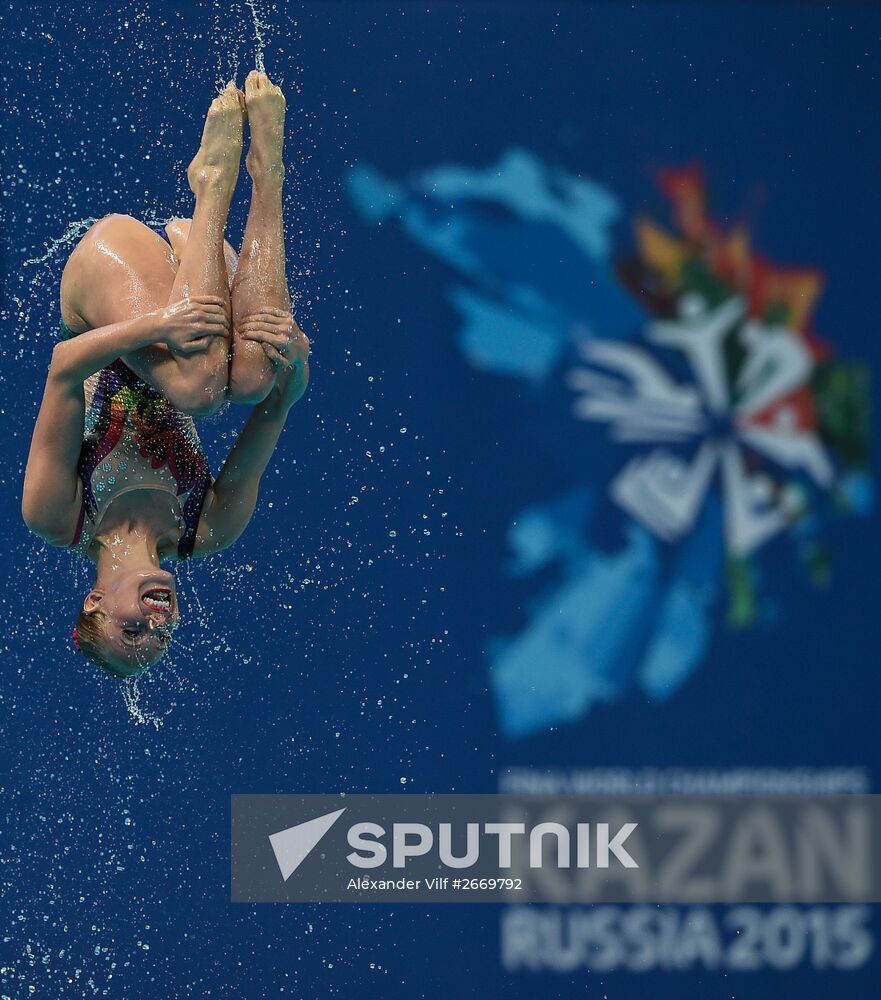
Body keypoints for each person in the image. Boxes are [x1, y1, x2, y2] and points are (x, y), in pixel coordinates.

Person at [21, 72, 310, 678]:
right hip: (194, 291)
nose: (159, 621)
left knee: (199, 386)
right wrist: (297, 366)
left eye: (134, 630)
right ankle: (267, 172)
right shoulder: (207, 527)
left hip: (107, 284)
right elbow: (277, 407)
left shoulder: (57, 514)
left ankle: (210, 185)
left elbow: (65, 368)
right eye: (161, 637)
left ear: (94, 602)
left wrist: (158, 323)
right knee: (256, 376)